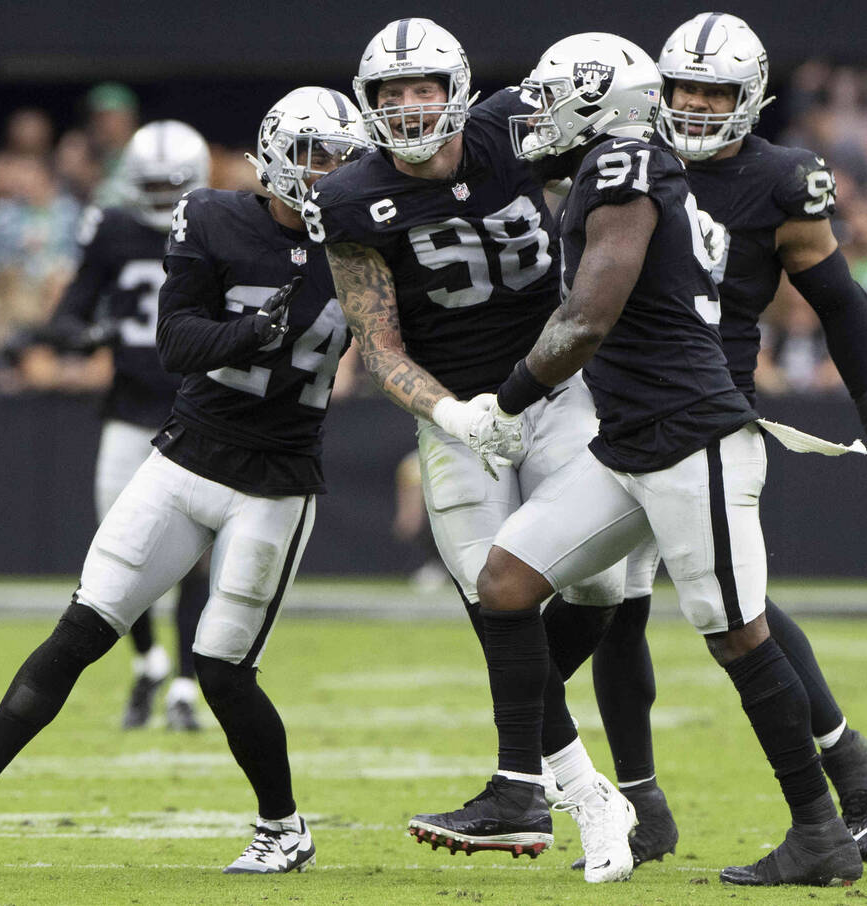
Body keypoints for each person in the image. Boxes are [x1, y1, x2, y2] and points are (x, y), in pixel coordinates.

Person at [410, 32, 867, 887]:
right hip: (628, 443)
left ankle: (819, 828)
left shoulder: (624, 169)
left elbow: (587, 319)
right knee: (506, 585)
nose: (536, 115)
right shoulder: (622, 164)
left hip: (693, 439)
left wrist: (505, 403)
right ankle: (521, 785)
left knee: (739, 634)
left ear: (600, 105)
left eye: (554, 98)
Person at [0, 87, 372, 875]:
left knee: (223, 670)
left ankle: (283, 827)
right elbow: (177, 338)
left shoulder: (369, 245)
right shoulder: (215, 217)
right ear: (277, 154)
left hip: (277, 481)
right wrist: (251, 331)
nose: (328, 172)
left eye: (342, 158)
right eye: (316, 154)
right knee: (80, 630)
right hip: (185, 457)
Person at [303, 18, 643, 881]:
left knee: (597, 583)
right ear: (368, 102)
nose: (410, 107)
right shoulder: (351, 199)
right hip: (460, 413)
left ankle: (519, 769)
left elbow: (619, 151)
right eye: (391, 93)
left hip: (559, 389)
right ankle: (574, 796)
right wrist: (451, 416)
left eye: (423, 89)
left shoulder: (514, 129)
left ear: (456, 89)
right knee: (497, 599)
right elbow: (377, 345)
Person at [575, 11, 867, 871]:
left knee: (735, 613)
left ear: (751, 98)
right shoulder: (624, 158)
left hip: (704, 410)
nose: (692, 106)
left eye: (713, 92)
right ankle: (645, 806)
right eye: (681, 88)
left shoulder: (780, 182)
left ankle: (845, 767)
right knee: (614, 612)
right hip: (609, 407)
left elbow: (840, 302)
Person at [40, 120, 212, 731]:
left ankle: (187, 687)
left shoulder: (219, 223)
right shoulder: (112, 229)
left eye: (174, 185)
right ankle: (149, 662)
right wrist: (85, 335)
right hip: (129, 412)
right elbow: (67, 314)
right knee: (118, 552)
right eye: (152, 185)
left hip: (199, 412)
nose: (164, 198)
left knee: (196, 557)